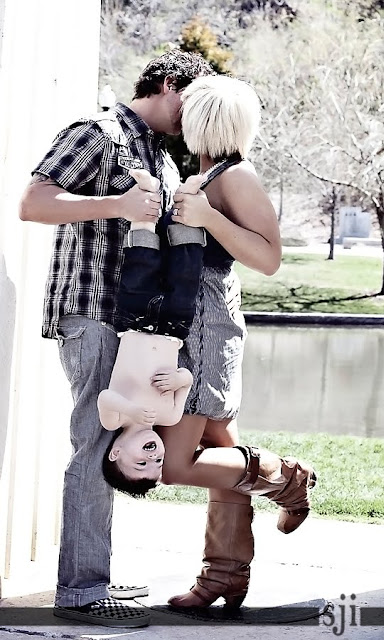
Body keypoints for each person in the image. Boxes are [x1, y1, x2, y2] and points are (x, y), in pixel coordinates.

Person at [18, 49, 214, 628]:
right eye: (193, 104)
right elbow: (33, 203)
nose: (195, 120)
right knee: (95, 444)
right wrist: (119, 204)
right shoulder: (97, 131)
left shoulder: (162, 155)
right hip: (92, 314)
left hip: (135, 327)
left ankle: (93, 575)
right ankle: (82, 591)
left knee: (114, 442)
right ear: (169, 84)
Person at [146, 74, 317, 609]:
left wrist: (208, 217)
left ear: (203, 120)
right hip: (188, 321)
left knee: (174, 465)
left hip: (206, 324)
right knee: (222, 449)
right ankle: (223, 576)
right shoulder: (204, 173)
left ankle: (287, 479)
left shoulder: (236, 176)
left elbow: (269, 258)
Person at [98, 168, 204, 496]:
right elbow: (187, 379)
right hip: (174, 327)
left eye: (140, 463)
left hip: (134, 322)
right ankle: (186, 202)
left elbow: (105, 397)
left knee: (141, 264)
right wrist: (178, 380)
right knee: (186, 273)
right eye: (158, 462)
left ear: (116, 452)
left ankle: (147, 200)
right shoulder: (169, 417)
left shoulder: (114, 419)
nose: (153, 457)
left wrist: (131, 410)